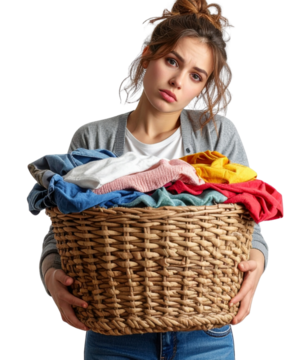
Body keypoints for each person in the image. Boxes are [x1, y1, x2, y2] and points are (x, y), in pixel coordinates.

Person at [38, 0, 269, 358]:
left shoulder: (218, 135)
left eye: (196, 76)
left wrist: (257, 263)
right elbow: (64, 227)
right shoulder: (92, 138)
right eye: (172, 61)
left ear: (202, 88)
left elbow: (248, 223)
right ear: (148, 56)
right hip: (114, 332)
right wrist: (51, 275)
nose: (178, 81)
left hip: (205, 332)